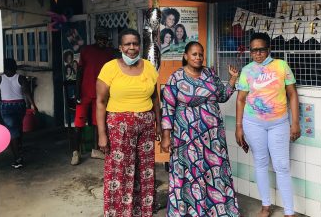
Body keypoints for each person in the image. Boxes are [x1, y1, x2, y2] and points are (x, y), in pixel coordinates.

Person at [161, 41, 240, 217]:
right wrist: (166, 136)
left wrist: (233, 79)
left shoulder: (210, 73)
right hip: (185, 137)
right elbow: (167, 108)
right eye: (194, 54)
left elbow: (222, 96)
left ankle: (217, 210)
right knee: (189, 174)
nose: (198, 57)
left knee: (215, 171)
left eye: (200, 54)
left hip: (213, 137)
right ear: (186, 56)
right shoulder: (176, 78)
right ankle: (189, 211)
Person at [96, 28, 161, 217]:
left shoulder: (149, 67)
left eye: (135, 43)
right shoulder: (109, 68)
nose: (132, 48)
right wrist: (102, 134)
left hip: (147, 126)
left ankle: (143, 210)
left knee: (145, 170)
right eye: (127, 44)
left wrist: (157, 122)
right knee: (120, 170)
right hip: (119, 127)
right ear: (120, 47)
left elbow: (155, 98)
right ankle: (120, 212)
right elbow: (100, 102)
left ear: (139, 45)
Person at [235, 32, 300, 217]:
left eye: (261, 50)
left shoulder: (281, 66)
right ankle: (265, 206)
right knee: (261, 163)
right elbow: (240, 100)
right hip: (253, 124)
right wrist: (239, 127)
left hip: (279, 124)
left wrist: (295, 122)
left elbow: (292, 94)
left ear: (268, 49)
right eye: (254, 50)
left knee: (282, 165)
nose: (257, 54)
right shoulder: (247, 71)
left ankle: (289, 212)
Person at [71, 26, 116, 166]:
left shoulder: (110, 53)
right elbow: (79, 72)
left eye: (105, 39)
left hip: (101, 95)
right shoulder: (86, 50)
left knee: (99, 124)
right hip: (84, 93)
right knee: (79, 124)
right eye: (100, 39)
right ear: (96, 39)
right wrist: (77, 92)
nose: (103, 41)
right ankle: (75, 152)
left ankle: (96, 150)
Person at [0, 58, 38, 169]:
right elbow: (27, 93)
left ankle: (17, 159)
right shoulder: (21, 78)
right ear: (15, 67)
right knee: (18, 128)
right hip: (20, 106)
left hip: (6, 106)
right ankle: (19, 149)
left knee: (12, 132)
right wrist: (33, 105)